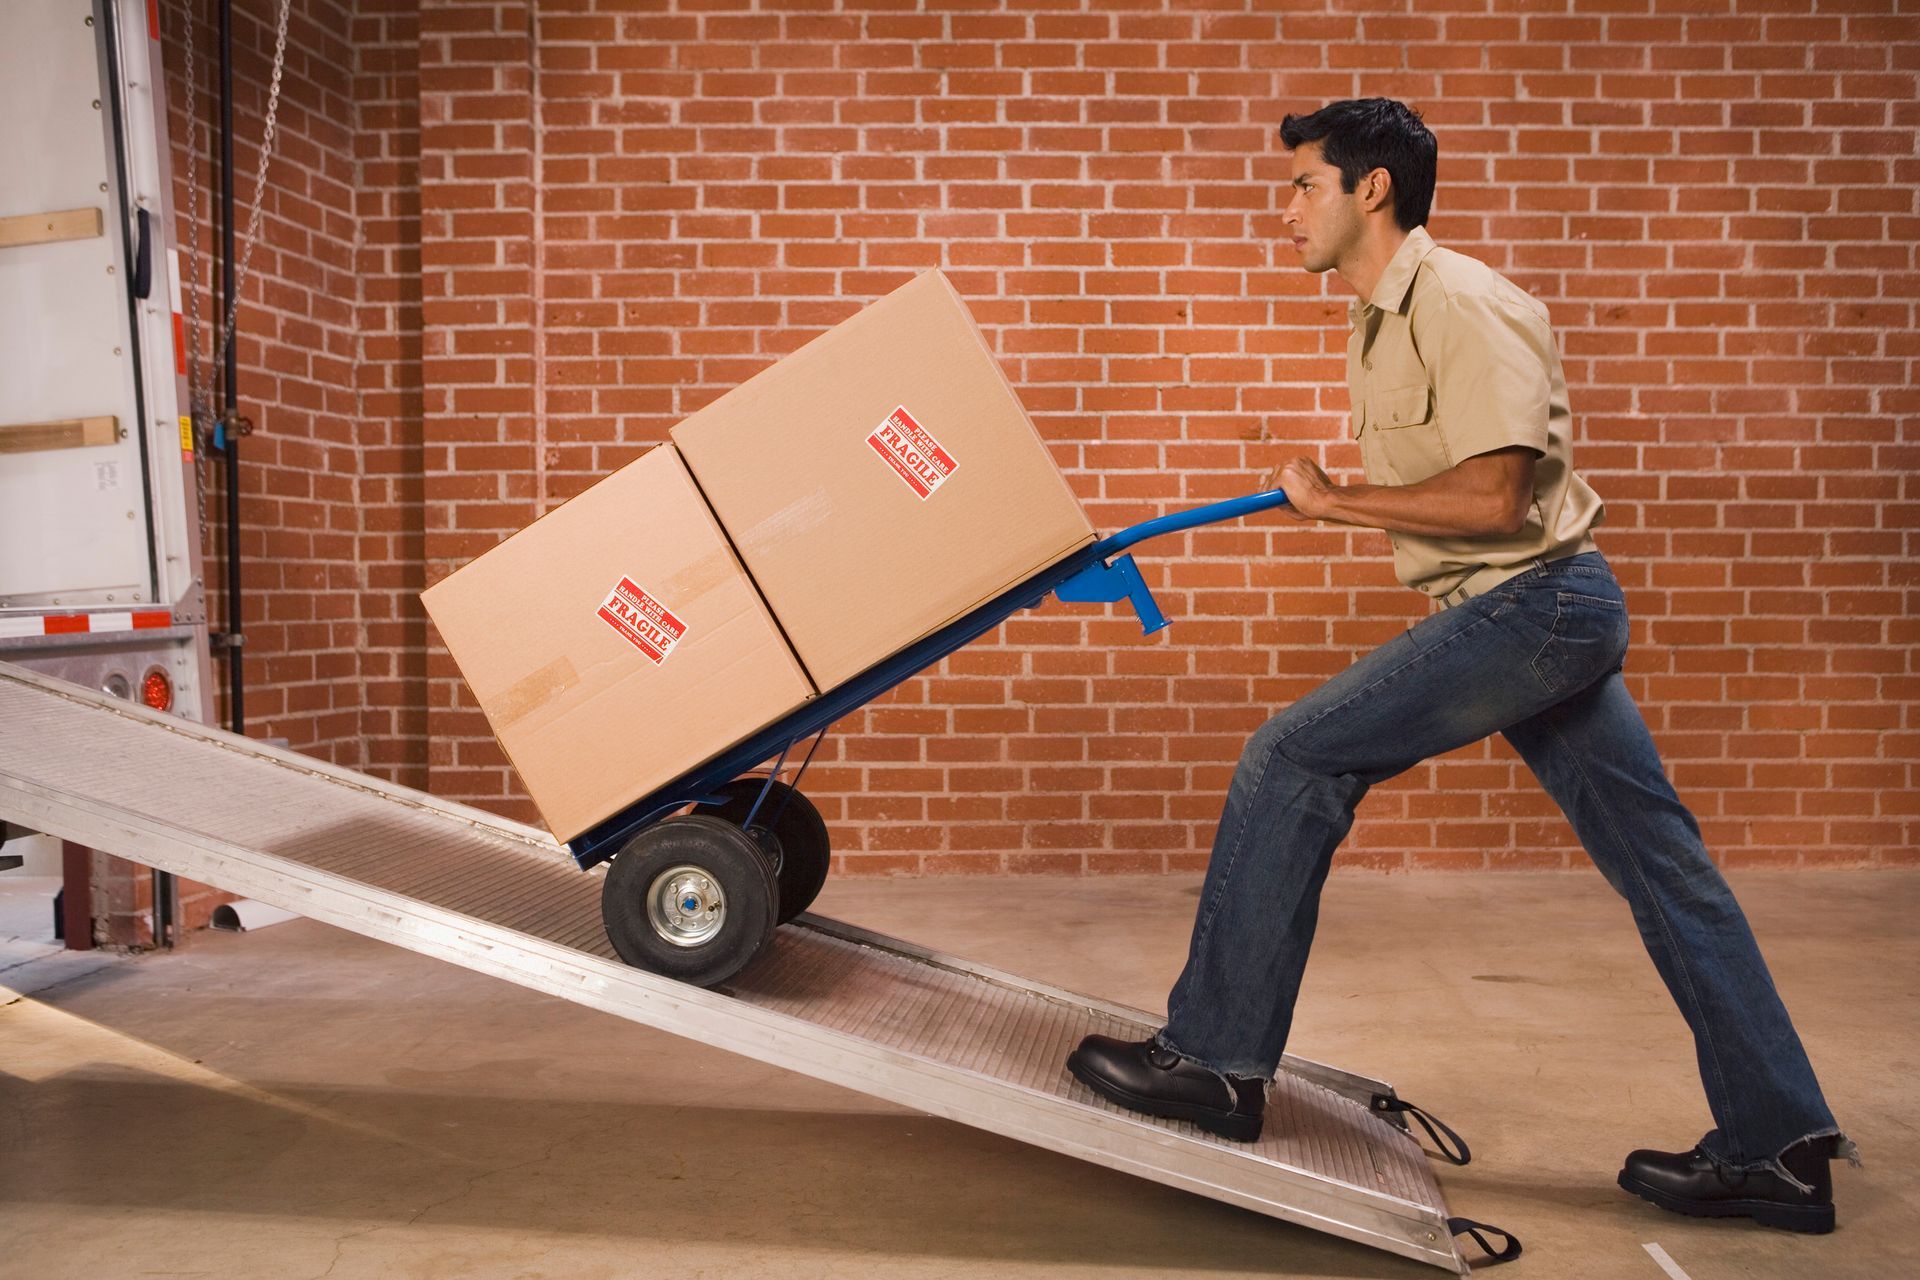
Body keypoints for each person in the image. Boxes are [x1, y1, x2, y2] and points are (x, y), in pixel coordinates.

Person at [1067, 97, 1854, 1234]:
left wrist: (1338, 500)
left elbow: (1496, 498)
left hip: (1534, 606)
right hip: (1529, 612)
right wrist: (1353, 496)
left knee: (1291, 756)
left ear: (1368, 189)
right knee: (1665, 868)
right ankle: (1782, 1144)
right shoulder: (1382, 317)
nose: (1282, 207)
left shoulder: (1468, 303)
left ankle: (1215, 1059)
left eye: (1301, 184)